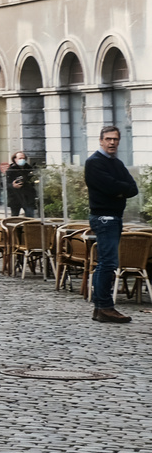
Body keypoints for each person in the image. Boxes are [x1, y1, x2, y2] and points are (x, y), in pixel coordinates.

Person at [85, 125, 138, 324]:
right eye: (108, 139)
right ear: (101, 140)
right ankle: (104, 307)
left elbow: (132, 188)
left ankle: (102, 307)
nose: (112, 142)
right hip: (103, 217)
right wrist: (118, 189)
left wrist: (118, 190)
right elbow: (109, 186)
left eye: (115, 139)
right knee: (107, 263)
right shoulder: (94, 162)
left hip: (114, 217)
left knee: (107, 263)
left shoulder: (117, 163)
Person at [5, 152, 39, 216]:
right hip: (15, 197)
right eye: (20, 158)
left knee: (29, 216)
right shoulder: (11, 170)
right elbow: (6, 184)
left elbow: (34, 181)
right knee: (15, 217)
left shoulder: (29, 168)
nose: (22, 160)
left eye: (23, 158)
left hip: (28, 196)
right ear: (15, 159)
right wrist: (13, 185)